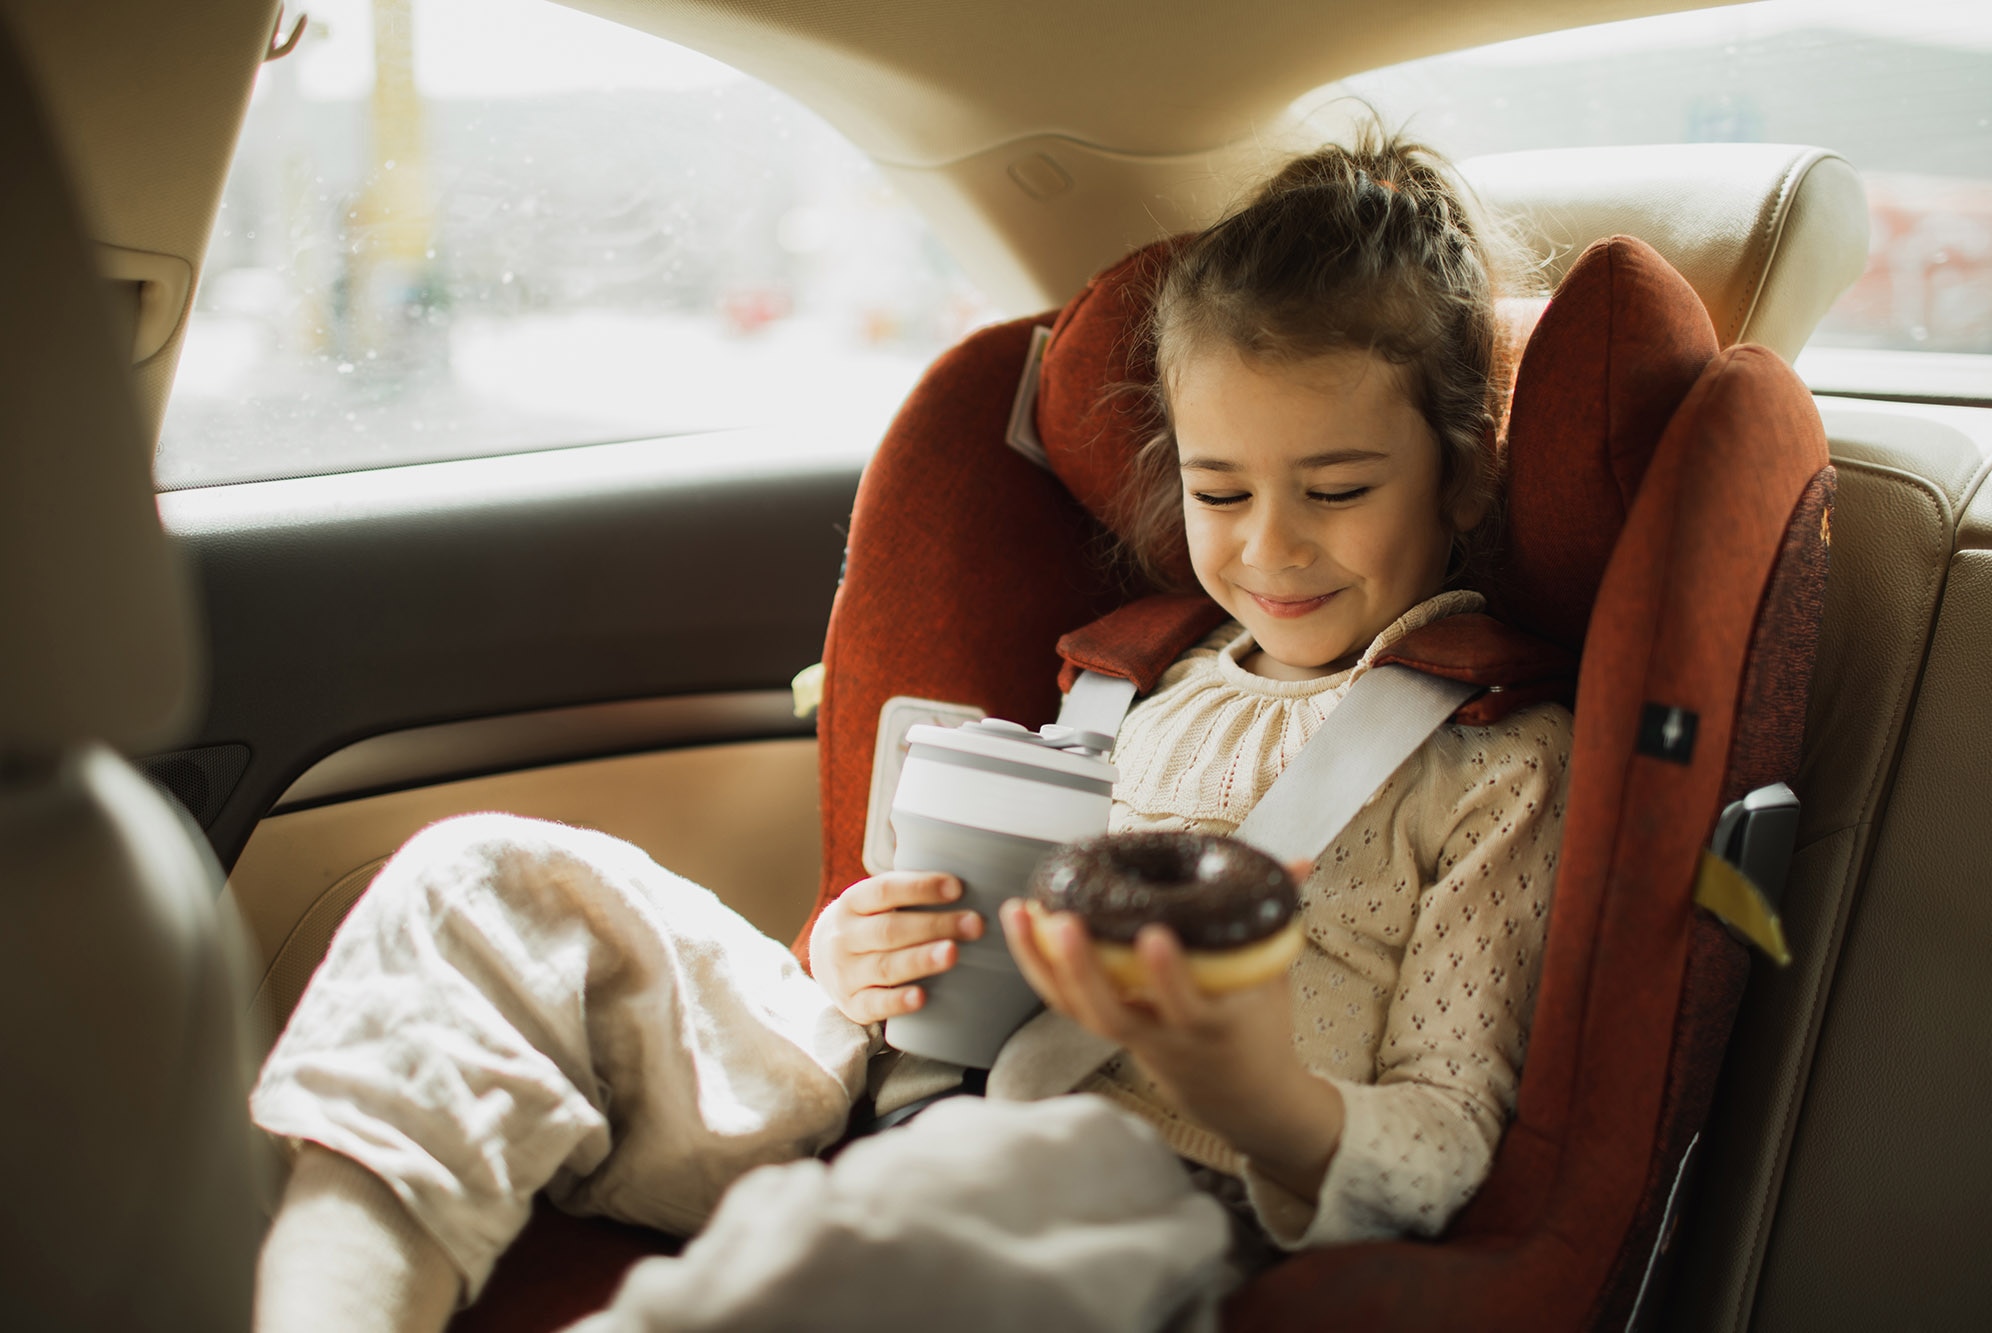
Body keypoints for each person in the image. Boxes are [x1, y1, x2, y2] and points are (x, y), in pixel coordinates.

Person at [249, 127, 1570, 1333]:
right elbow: (960, 950)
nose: (1270, 545)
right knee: (485, 882)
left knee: (927, 1207)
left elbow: (1451, 1146)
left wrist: (1255, 1089)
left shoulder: (1499, 759)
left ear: (1460, 468)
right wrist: (854, 951)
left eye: (1335, 489)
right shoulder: (1147, 672)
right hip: (900, 1088)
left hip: (1161, 1184)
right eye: (1220, 490)